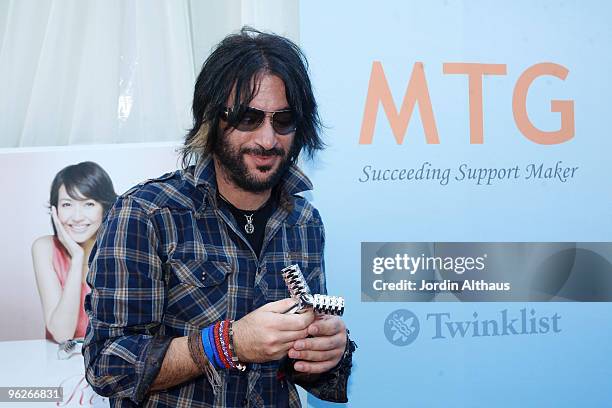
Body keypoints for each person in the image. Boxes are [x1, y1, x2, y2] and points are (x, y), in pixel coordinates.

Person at [83, 27, 355, 407]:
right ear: (213, 120)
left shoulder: (304, 222)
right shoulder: (148, 213)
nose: (267, 139)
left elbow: (303, 367)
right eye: (247, 118)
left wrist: (328, 353)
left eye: (284, 120)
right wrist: (227, 344)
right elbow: (108, 364)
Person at [32, 161, 117, 343]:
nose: (77, 217)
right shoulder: (44, 248)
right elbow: (63, 334)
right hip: (60, 363)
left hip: (108, 363)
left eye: (88, 204)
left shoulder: (118, 250)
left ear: (104, 207)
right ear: (55, 210)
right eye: (67, 205)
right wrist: (77, 257)